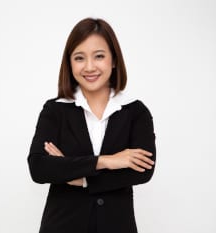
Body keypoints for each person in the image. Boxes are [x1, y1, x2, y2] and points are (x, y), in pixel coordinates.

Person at [27, 17, 156, 233]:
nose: (89, 67)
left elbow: (142, 171)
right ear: (69, 63)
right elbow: (39, 168)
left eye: (99, 56)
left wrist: (77, 176)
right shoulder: (55, 110)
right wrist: (106, 161)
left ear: (113, 60)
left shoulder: (135, 111)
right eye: (79, 57)